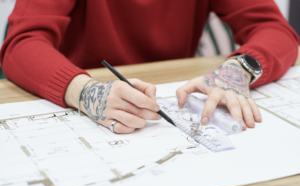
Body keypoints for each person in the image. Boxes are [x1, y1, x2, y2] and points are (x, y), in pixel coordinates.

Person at [0, 0, 298, 134]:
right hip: (78, 105)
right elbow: (23, 42)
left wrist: (237, 70)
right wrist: (84, 91)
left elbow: (273, 28)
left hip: (164, 96)